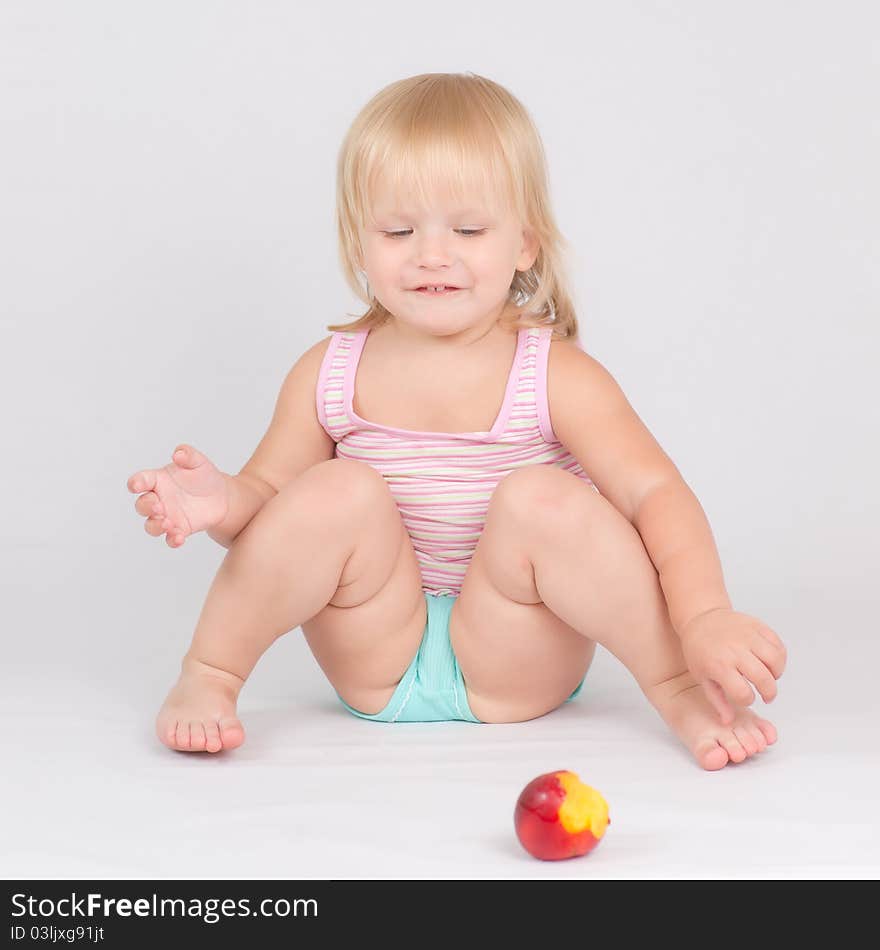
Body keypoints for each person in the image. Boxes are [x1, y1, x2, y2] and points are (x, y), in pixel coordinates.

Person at [127, 72, 786, 770]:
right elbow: (268, 510)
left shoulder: (554, 374)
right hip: (373, 652)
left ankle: (680, 686)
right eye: (398, 229)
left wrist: (705, 614)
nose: (431, 254)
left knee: (544, 499)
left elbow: (655, 495)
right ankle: (210, 674)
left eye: (468, 229)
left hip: (518, 654)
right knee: (334, 490)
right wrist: (224, 501)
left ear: (525, 244)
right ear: (358, 244)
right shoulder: (329, 371)